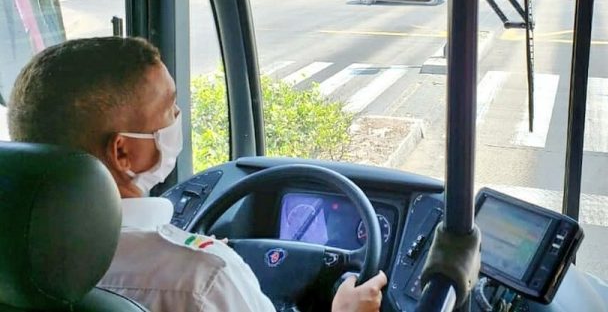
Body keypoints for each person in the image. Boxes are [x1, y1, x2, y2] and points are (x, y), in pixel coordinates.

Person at [7, 37, 387, 312]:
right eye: (170, 108)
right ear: (123, 151)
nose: (177, 119)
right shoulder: (203, 279)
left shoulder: (13, 266)